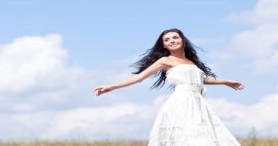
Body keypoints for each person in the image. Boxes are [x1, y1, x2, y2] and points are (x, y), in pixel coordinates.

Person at [93, 28, 244, 146]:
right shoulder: (165, 61)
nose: (172, 41)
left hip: (198, 103)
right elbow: (139, 78)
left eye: (175, 37)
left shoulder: (191, 61)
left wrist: (226, 81)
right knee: (188, 137)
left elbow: (201, 79)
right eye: (167, 39)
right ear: (164, 45)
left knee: (205, 137)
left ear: (183, 40)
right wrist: (111, 87)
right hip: (181, 103)